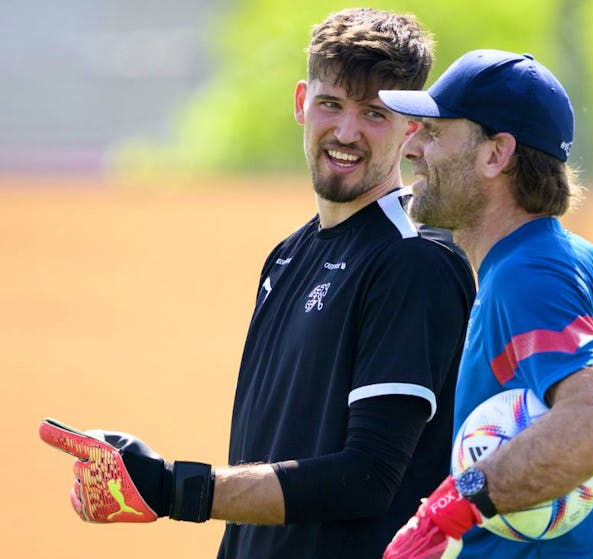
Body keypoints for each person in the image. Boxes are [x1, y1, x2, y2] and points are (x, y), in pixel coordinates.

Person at [38, 8, 476, 559]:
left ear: (411, 126)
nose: (347, 132)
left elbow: (367, 477)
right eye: (331, 104)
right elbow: (264, 464)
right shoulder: (288, 258)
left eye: (374, 113)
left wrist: (174, 488)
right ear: (301, 102)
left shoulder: (414, 262)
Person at [377, 49, 593, 559]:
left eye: (435, 132)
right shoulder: (582, 261)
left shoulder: (525, 275)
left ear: (496, 154)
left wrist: (446, 511)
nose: (413, 146)